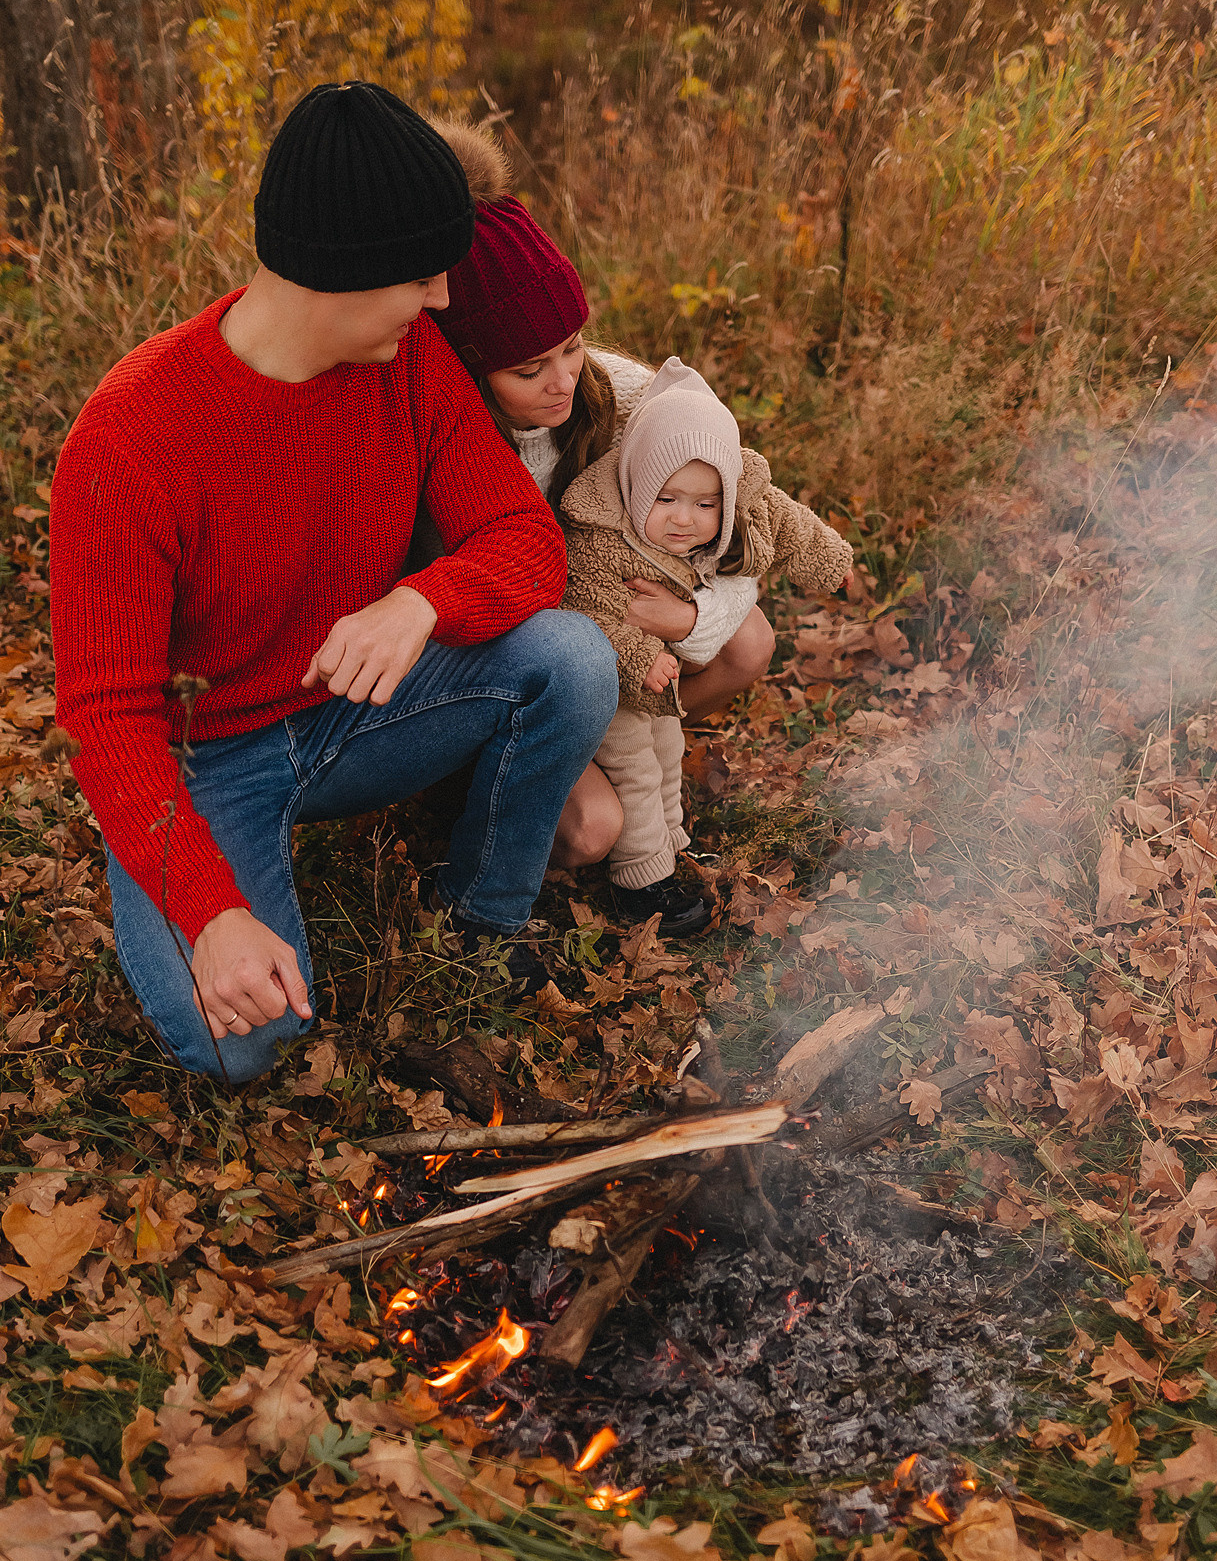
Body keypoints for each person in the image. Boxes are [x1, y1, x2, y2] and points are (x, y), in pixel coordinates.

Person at [49, 82, 619, 1084]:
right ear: (343, 274)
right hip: (203, 761)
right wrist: (213, 912)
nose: (445, 301)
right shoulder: (132, 435)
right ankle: (178, 885)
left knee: (569, 659)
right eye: (423, 277)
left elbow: (523, 539)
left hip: (356, 713)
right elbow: (104, 713)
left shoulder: (403, 364)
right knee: (243, 1047)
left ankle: (482, 916)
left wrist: (420, 600)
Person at [426, 122, 775, 908]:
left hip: (622, 629)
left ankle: (627, 768)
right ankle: (490, 793)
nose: (561, 381)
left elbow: (733, 521)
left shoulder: (618, 393)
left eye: (572, 347)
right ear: (469, 367)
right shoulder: (448, 444)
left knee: (747, 641)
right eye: (527, 368)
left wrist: (687, 615)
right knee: (591, 833)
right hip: (533, 655)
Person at [560, 358, 853, 923]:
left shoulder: (742, 492)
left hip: (658, 679)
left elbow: (788, 523)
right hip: (611, 679)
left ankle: (669, 845)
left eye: (704, 505)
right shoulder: (601, 535)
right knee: (635, 769)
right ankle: (639, 880)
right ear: (635, 485)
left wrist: (831, 562)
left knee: (668, 749)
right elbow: (585, 608)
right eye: (665, 500)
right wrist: (640, 655)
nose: (683, 521)